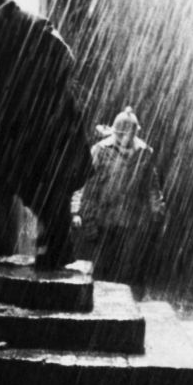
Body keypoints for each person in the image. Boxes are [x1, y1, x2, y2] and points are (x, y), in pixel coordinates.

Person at [0, 0, 92, 269]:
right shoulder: (19, 27)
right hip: (45, 127)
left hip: (47, 127)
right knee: (44, 186)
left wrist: (30, 91)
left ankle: (58, 244)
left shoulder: (22, 26)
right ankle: (57, 243)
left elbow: (62, 59)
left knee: (44, 186)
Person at [72, 106, 166, 299]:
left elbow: (152, 187)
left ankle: (131, 307)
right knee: (103, 271)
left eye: (130, 133)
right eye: (122, 133)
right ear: (116, 132)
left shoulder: (143, 153)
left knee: (130, 273)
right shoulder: (100, 150)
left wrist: (157, 210)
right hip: (103, 221)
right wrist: (77, 212)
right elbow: (84, 184)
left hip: (132, 222)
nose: (126, 138)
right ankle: (102, 307)